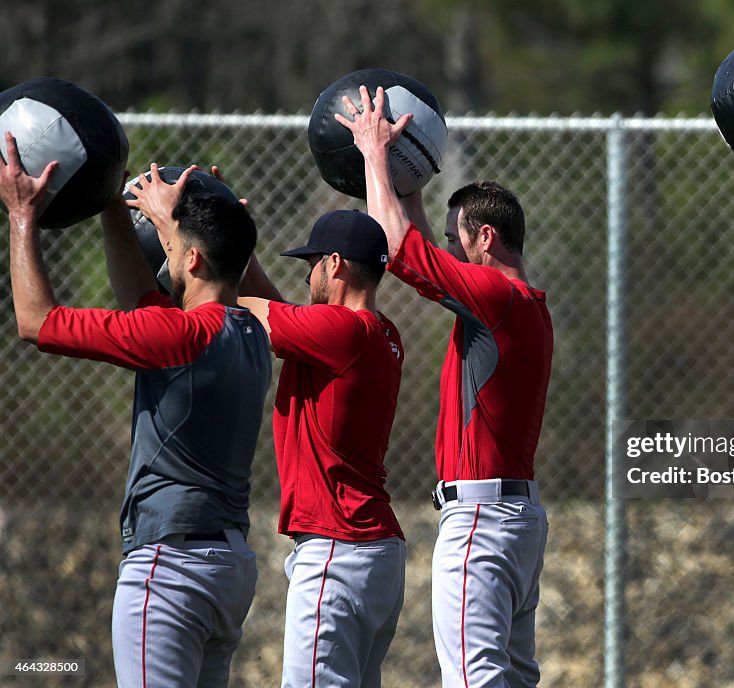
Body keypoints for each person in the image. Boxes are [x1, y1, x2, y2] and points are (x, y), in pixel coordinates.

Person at [2, 144, 271, 688]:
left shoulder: (181, 335)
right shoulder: (252, 332)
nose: (163, 251)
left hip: (172, 568)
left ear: (193, 261)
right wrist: (110, 207)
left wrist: (21, 213)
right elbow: (143, 297)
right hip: (228, 566)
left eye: (169, 244)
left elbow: (35, 321)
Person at [335, 85, 553, 687]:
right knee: (510, 677)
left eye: (461, 237)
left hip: (481, 518)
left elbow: (402, 249)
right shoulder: (520, 303)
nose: (452, 246)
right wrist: (412, 184)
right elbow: (427, 253)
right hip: (516, 516)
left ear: (487, 239)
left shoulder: (495, 297)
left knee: (474, 678)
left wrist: (376, 155)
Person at [235, 209, 406, 688]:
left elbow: (236, 307)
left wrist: (197, 247)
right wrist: (243, 249)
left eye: (310, 263)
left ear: (335, 264)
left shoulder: (341, 331)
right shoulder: (380, 332)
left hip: (338, 548)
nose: (306, 275)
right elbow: (285, 315)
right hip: (376, 551)